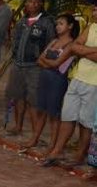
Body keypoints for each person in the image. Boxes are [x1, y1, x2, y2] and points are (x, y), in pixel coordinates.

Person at [43, 2, 97, 168]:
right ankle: (57, 151)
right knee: (67, 116)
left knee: (85, 122)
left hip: (93, 82)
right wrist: (90, 50)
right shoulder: (91, 26)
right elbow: (73, 47)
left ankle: (79, 155)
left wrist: (82, 50)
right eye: (94, 8)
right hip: (77, 78)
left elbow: (78, 48)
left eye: (96, 8)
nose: (94, 11)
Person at [21, 14, 79, 153]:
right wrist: (50, 64)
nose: (58, 26)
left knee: (54, 114)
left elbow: (57, 65)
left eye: (61, 24)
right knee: (41, 110)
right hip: (45, 77)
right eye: (57, 24)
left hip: (57, 81)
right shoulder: (54, 41)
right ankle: (35, 138)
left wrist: (48, 63)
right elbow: (40, 59)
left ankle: (52, 144)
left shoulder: (71, 45)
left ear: (70, 26)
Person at [4, 0, 56, 136]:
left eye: (34, 2)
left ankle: (35, 133)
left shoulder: (47, 23)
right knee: (18, 97)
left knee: (34, 101)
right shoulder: (22, 21)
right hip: (18, 64)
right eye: (28, 1)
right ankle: (18, 126)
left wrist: (43, 61)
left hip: (35, 67)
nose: (30, 4)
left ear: (40, 4)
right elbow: (15, 39)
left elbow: (52, 44)